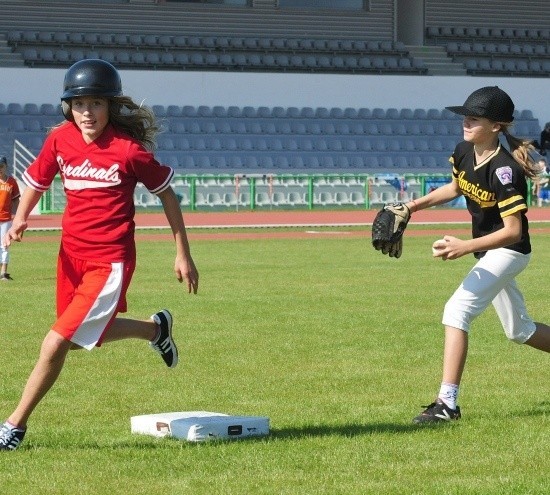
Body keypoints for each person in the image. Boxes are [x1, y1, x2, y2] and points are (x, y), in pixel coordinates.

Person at [0, 59, 199, 451]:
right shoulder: (59, 140)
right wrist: (20, 217)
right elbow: (36, 180)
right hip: (69, 258)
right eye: (78, 104)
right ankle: (155, 329)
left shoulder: (128, 151)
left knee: (57, 343)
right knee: (83, 336)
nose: (86, 112)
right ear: (67, 108)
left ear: (110, 106)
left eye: (95, 103)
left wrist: (183, 254)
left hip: (109, 262)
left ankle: (13, 427)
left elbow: (168, 196)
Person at [402, 86, 550, 423]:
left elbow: (514, 231)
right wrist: (411, 206)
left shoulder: (504, 169)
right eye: (464, 117)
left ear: (496, 126)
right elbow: (454, 188)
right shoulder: (464, 151)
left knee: (456, 311)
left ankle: (446, 404)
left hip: (508, 251)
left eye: (474, 118)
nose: (465, 123)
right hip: (488, 252)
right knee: (520, 331)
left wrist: (464, 246)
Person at [0, 156, 20, 281]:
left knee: (5, 245)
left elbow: (16, 200)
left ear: (6, 166)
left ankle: (3, 272)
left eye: (1, 166)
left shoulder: (11, 182)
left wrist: (18, 216)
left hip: (6, 219)